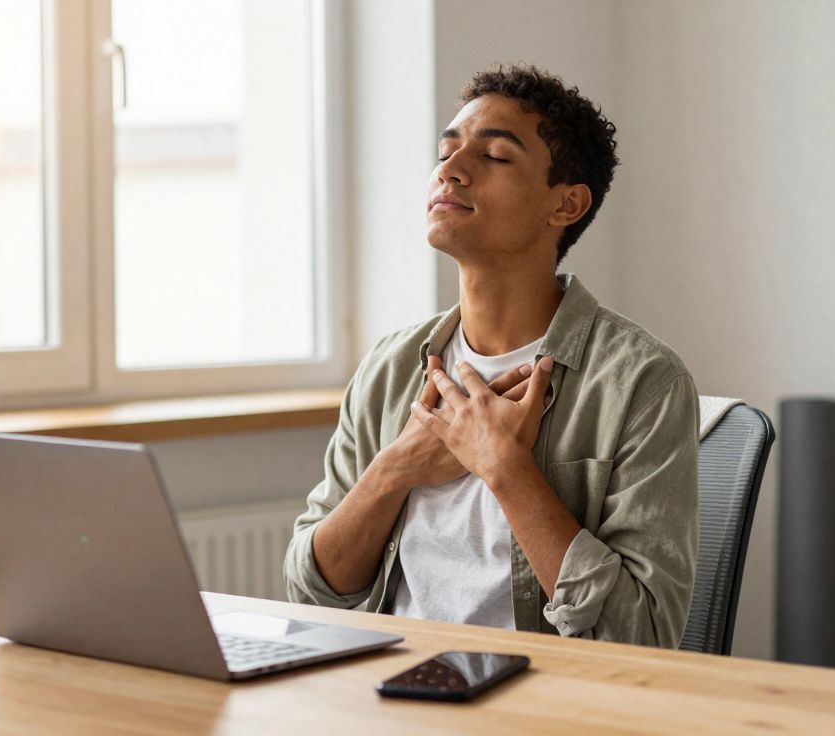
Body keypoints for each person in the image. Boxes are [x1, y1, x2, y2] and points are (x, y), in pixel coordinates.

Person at [283, 64, 699, 647]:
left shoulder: (643, 383)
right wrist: (398, 467)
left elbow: (642, 636)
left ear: (566, 204)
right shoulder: (389, 367)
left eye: (496, 157)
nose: (449, 171)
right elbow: (313, 594)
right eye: (445, 152)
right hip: (387, 692)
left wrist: (505, 466)